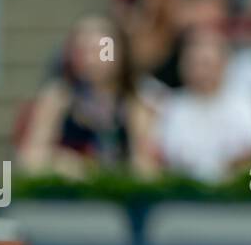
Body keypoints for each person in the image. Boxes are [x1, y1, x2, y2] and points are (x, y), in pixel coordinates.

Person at [18, 14, 159, 179]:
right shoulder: (58, 97)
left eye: (100, 50)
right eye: (83, 50)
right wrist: (58, 162)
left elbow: (147, 167)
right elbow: (29, 158)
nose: (91, 59)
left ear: (121, 53)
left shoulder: (135, 104)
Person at [156, 26, 251, 183]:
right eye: (194, 64)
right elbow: (163, 157)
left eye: (206, 64)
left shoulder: (247, 103)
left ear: (224, 64)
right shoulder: (172, 106)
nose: (201, 72)